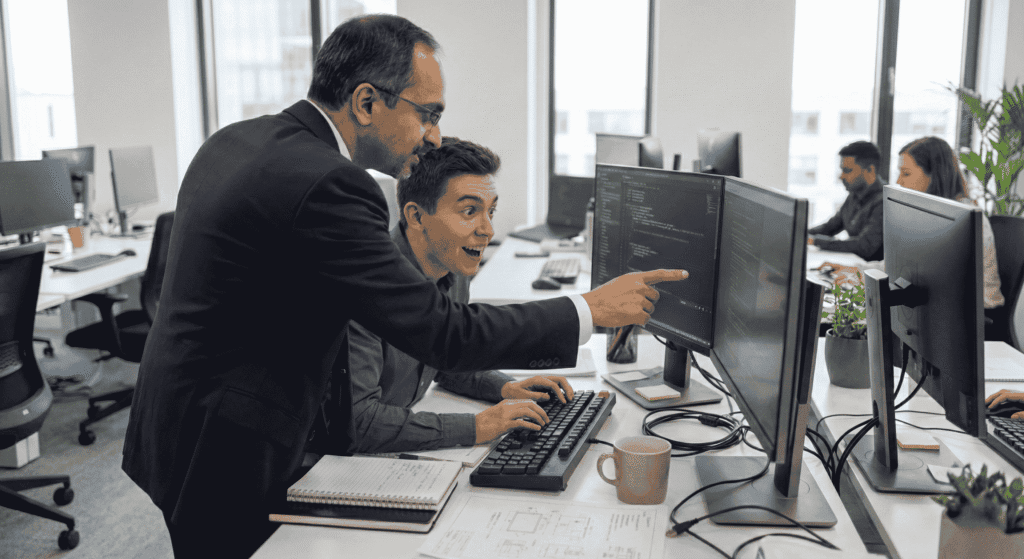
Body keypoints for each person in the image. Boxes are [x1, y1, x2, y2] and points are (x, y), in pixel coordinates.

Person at [121, 15, 686, 559]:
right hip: (228, 448)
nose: (433, 135)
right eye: (428, 114)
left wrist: (497, 386)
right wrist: (587, 309)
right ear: (367, 102)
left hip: (173, 418)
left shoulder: (238, 139)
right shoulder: (331, 183)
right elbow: (439, 333)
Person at [347, 137, 575, 453]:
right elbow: (357, 422)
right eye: (469, 211)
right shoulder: (366, 286)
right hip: (328, 467)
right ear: (416, 217)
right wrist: (478, 426)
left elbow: (444, 356)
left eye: (490, 211)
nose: (488, 230)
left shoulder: (453, 270)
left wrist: (506, 388)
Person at [822, 137, 1005, 312]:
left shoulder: (964, 218)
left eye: (906, 173)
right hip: (939, 311)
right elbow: (898, 268)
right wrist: (855, 271)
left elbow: (932, 285)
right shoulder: (928, 215)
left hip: (976, 318)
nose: (899, 182)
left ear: (934, 175)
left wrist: (863, 283)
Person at [807, 141, 885, 261]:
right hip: (853, 267)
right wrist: (800, 233)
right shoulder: (854, 195)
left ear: (870, 170)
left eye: (847, 170)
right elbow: (830, 227)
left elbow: (864, 246)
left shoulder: (883, 202)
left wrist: (815, 241)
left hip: (868, 274)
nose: (841, 176)